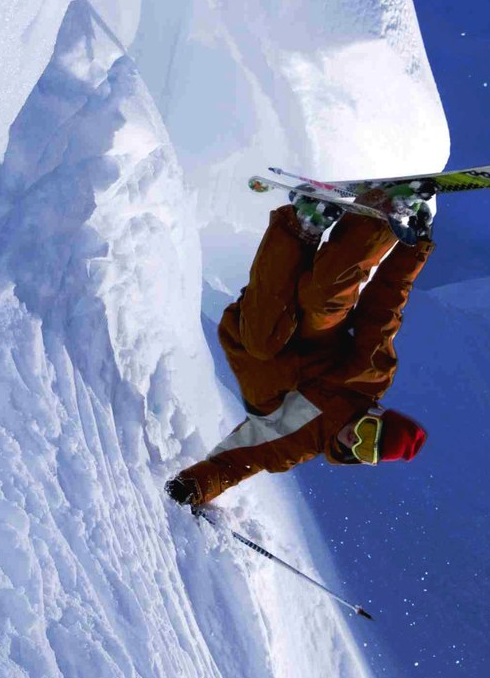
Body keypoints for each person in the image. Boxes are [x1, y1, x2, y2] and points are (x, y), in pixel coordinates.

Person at [166, 186, 434, 507]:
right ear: (375, 413)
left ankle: (301, 228)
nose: (355, 439)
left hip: (256, 340)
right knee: (325, 301)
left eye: (363, 450)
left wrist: (193, 486)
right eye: (367, 431)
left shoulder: (294, 444)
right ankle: (384, 213)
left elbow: (235, 462)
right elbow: (383, 308)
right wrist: (413, 249)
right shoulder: (368, 377)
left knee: (263, 341)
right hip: (313, 335)